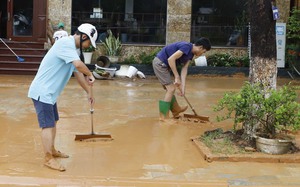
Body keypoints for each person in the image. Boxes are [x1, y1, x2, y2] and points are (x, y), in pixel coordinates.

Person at [28, 23, 98, 171]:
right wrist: (90, 74)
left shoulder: (72, 50)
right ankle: (48, 158)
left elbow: (77, 74)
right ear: (84, 36)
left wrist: (88, 93)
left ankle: (51, 150)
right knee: (47, 125)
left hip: (50, 93)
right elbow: (79, 66)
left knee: (53, 121)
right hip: (43, 91)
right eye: (88, 43)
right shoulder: (66, 44)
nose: (87, 46)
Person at [152, 38, 211, 121]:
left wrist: (183, 87)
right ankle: (163, 117)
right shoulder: (186, 47)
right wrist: (176, 77)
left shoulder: (191, 54)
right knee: (171, 89)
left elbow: (184, 69)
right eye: (204, 52)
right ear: (200, 47)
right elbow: (171, 59)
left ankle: (176, 111)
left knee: (169, 89)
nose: (202, 54)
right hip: (160, 64)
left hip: (165, 66)